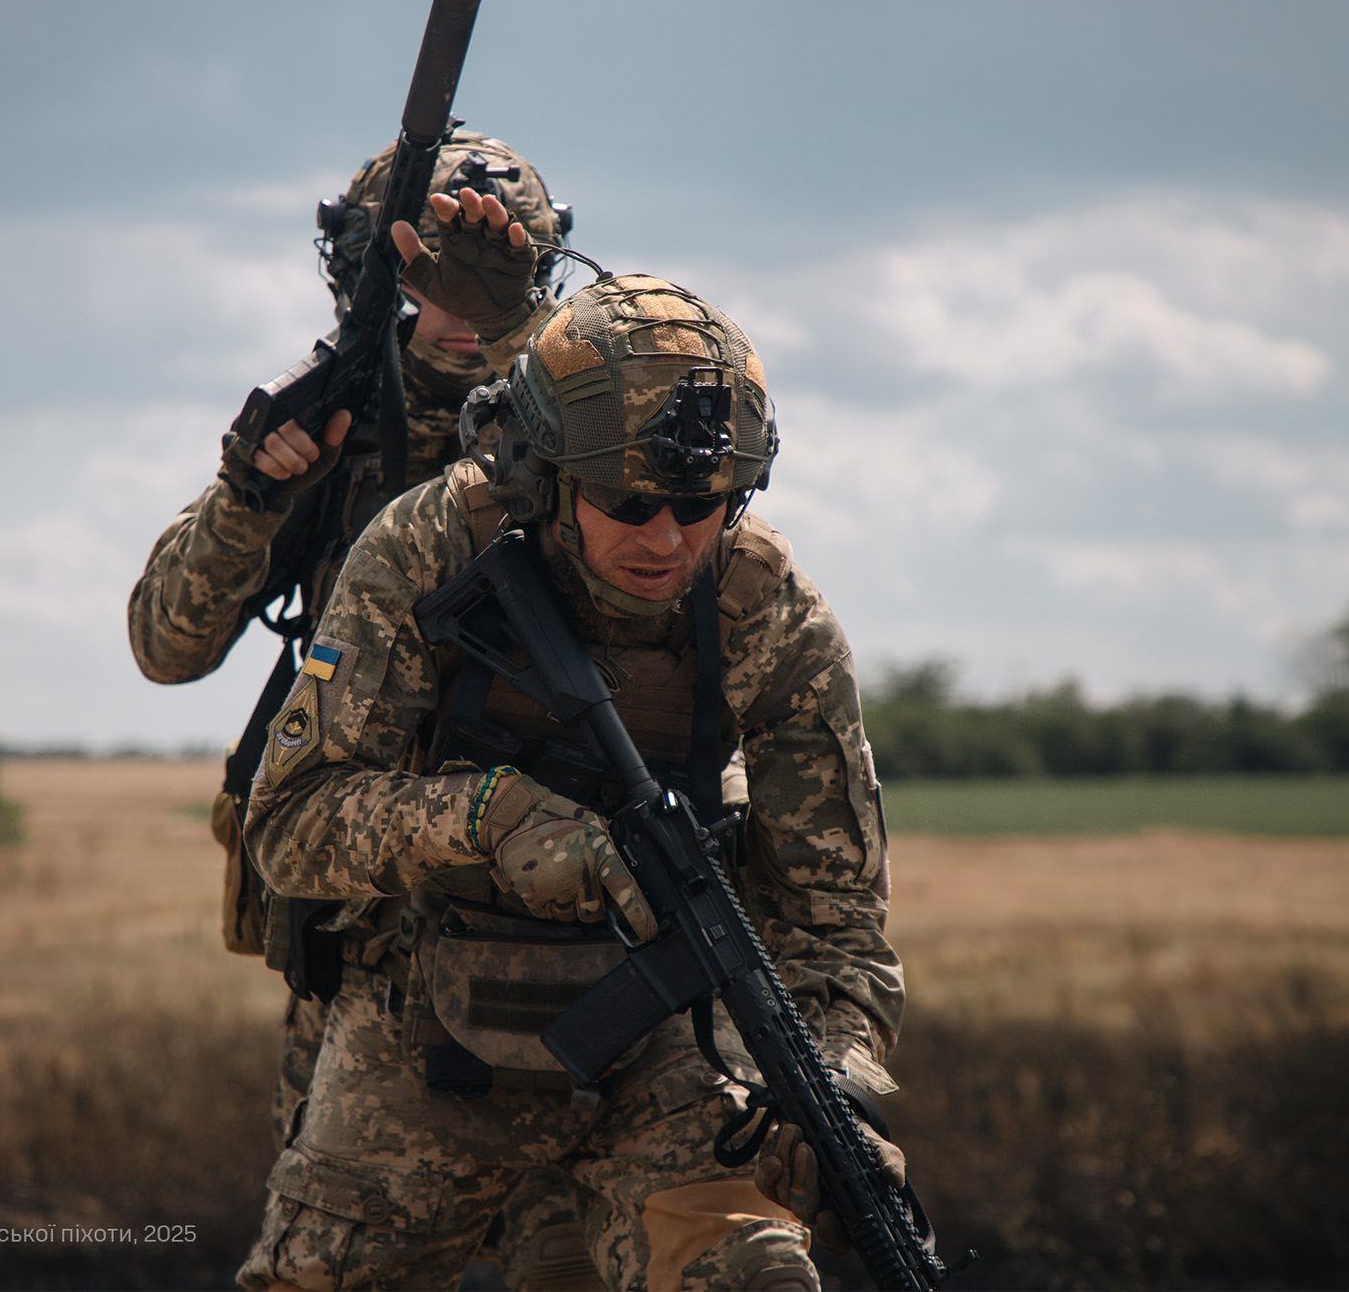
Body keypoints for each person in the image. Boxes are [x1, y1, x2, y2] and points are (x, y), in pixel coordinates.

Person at [234, 199, 906, 1290]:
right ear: (545, 474)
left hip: (669, 1057)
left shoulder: (763, 603)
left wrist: (826, 1082)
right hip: (424, 1046)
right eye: (627, 499)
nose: (667, 537)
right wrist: (492, 824)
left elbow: (835, 922)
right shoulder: (429, 547)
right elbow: (292, 821)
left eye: (702, 501)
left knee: (755, 1276)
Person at [127, 132, 597, 1287]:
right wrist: (252, 497)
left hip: (565, 904)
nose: (448, 299)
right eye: (417, 264)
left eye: (477, 266)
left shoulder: (588, 427)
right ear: (370, 275)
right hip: (363, 924)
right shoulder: (328, 418)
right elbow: (166, 643)